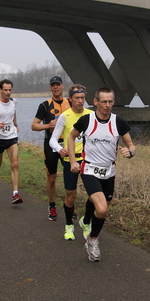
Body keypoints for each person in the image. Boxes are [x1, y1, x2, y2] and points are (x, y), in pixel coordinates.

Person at [68, 87, 136, 261]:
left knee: (101, 204)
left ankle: (86, 220)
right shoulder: (86, 120)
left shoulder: (118, 122)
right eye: (103, 101)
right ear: (96, 101)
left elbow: (131, 145)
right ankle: (93, 240)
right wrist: (74, 161)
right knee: (103, 208)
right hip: (89, 169)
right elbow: (70, 137)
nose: (107, 105)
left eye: (110, 102)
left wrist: (130, 152)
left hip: (109, 171)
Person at [49, 84, 92, 240]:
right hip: (70, 160)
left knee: (94, 195)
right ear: (70, 99)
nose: (80, 101)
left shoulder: (91, 114)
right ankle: (68, 225)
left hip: (89, 160)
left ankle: (86, 222)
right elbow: (53, 140)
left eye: (82, 98)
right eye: (77, 98)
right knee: (70, 196)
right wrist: (60, 149)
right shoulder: (64, 116)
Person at [30, 76, 71, 220]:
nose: (56, 88)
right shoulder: (45, 105)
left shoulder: (70, 102)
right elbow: (34, 126)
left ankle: (69, 207)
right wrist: (48, 125)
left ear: (62, 86)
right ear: (50, 88)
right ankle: (52, 205)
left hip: (67, 145)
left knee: (70, 177)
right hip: (51, 145)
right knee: (52, 178)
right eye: (53, 85)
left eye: (58, 85)